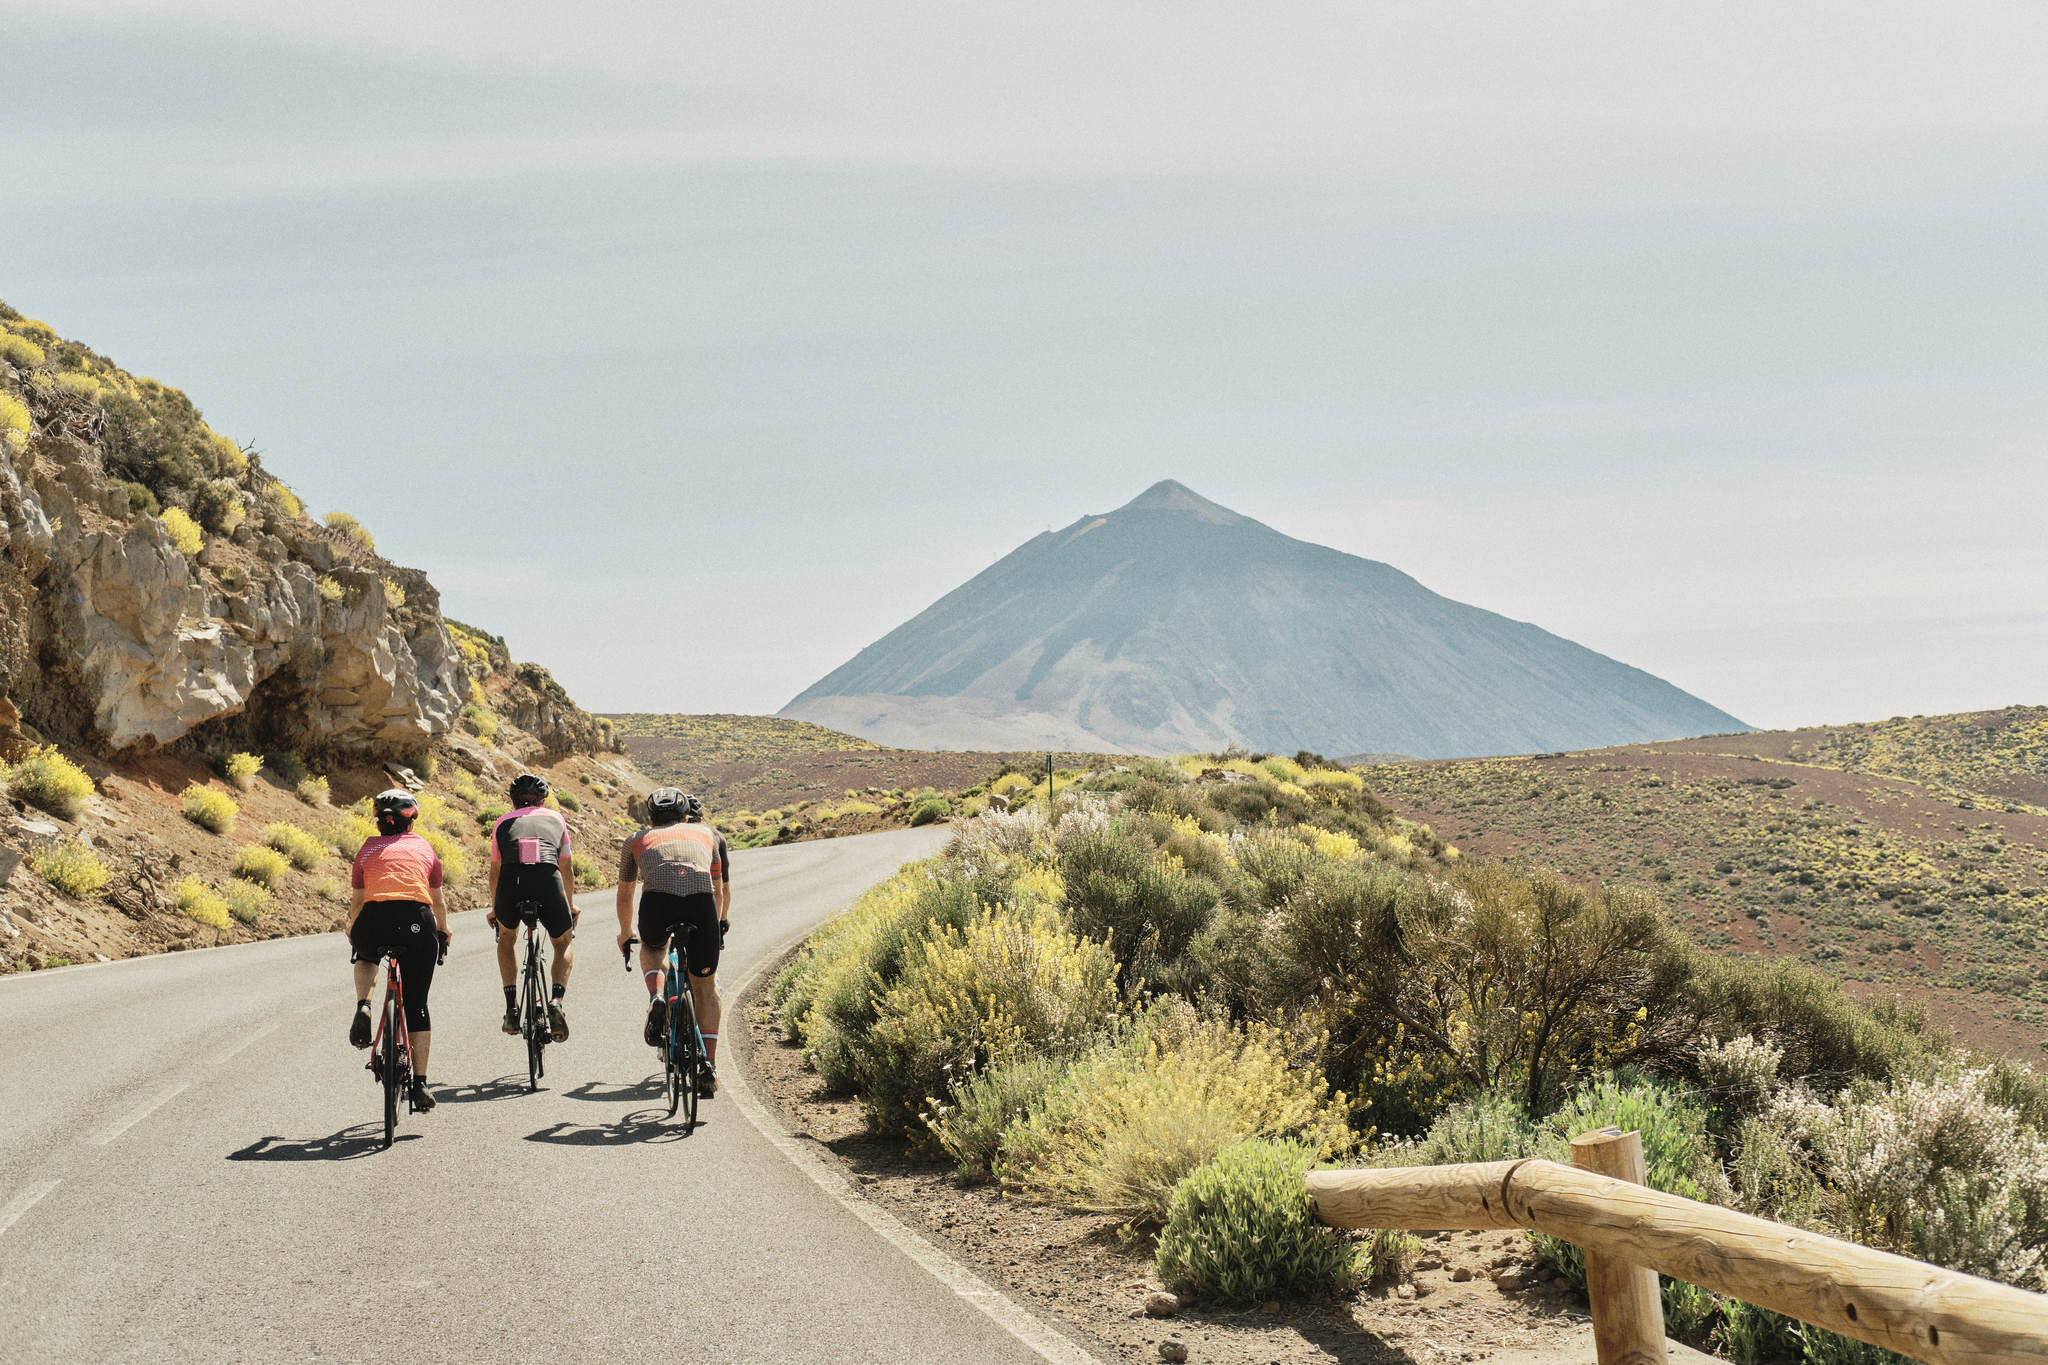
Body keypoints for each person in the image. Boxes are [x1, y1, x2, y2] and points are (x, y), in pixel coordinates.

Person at [615, 787, 730, 1095]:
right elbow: (717, 890)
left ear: (651, 820)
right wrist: (715, 926)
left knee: (653, 947)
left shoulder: (635, 840)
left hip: (658, 903)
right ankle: (709, 1066)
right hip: (701, 904)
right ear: (686, 817)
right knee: (706, 986)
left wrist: (626, 932)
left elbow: (625, 893)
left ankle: (656, 996)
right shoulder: (707, 834)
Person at [347, 788, 448, 1112]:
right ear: (411, 822)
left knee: (366, 956)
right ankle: (420, 1084)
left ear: (379, 822)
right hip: (416, 921)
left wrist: (353, 930)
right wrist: (443, 931)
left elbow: (357, 903)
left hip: (373, 920)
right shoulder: (425, 848)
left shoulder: (366, 850)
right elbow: (438, 902)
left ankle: (364, 1005)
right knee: (417, 1004)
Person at [487, 772, 578, 1041]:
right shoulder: (556, 819)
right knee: (563, 941)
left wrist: (494, 909)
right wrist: (570, 906)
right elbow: (566, 868)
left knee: (507, 938)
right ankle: (556, 1001)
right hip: (547, 880)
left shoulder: (501, 822)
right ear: (543, 800)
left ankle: (511, 1008)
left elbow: (495, 873)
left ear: (513, 801)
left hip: (511, 882)